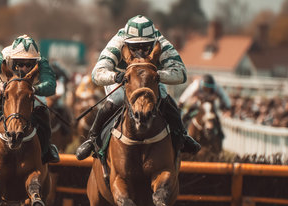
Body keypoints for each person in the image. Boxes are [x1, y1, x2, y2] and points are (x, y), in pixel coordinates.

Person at [75, 15, 201, 160]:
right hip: (122, 78)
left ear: (154, 41)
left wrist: (154, 75)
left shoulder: (161, 41)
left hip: (149, 79)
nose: (140, 51)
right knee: (116, 99)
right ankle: (93, 138)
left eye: (146, 47)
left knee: (165, 98)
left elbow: (181, 73)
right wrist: (115, 77)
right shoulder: (118, 41)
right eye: (134, 47)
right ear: (126, 42)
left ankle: (182, 136)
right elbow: (97, 74)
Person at [0, 34, 60, 164]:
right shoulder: (3, 55)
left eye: (29, 64)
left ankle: (47, 147)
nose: (25, 68)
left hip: (29, 90)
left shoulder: (41, 59)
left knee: (42, 106)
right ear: (13, 60)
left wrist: (35, 89)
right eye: (20, 63)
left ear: (35, 61)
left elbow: (50, 85)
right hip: (5, 88)